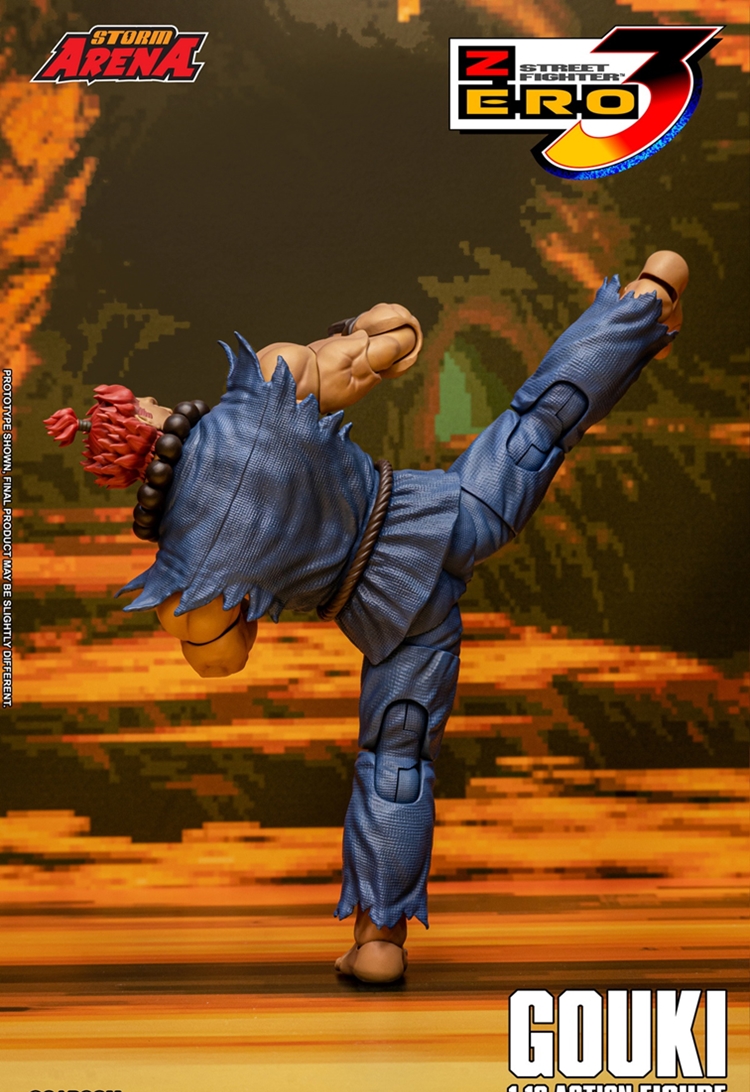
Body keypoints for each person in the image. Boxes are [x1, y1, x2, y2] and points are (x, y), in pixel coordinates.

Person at [45, 251, 688, 983]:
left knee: (397, 757)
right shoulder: (273, 378)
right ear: (148, 411)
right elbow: (399, 338)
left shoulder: (183, 578)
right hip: (446, 513)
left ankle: (381, 937)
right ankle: (643, 302)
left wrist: (216, 571)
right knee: (540, 423)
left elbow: (222, 657)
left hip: (388, 617)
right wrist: (350, 330)